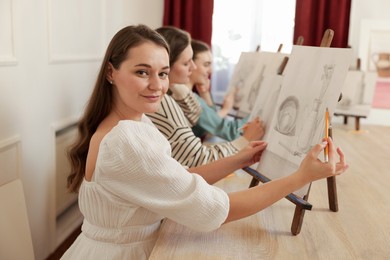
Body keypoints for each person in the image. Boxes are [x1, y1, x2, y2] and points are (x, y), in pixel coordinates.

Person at [61, 24, 348, 260]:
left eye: (162, 73)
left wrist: (239, 158)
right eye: (142, 72)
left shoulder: (132, 122)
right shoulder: (126, 139)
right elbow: (217, 209)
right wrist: (300, 177)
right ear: (111, 72)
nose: (157, 85)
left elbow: (176, 179)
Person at [147, 26, 264, 167]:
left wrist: (205, 93)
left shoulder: (180, 95)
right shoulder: (163, 101)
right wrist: (258, 116)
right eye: (186, 63)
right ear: (166, 65)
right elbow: (201, 155)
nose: (194, 67)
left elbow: (206, 118)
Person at [187, 39, 251, 141]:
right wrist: (226, 109)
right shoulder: (187, 99)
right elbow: (231, 132)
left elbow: (209, 120)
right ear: (190, 65)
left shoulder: (189, 95)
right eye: (206, 65)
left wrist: (204, 93)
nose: (211, 70)